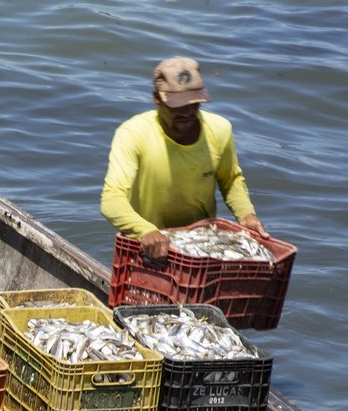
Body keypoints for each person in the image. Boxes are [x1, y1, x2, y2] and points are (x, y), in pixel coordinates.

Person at [100, 56, 269, 261]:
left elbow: (230, 179)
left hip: (200, 245)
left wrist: (246, 214)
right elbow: (111, 199)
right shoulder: (133, 133)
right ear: (157, 98)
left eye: (194, 103)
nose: (187, 112)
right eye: (178, 105)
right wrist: (145, 231)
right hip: (147, 247)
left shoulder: (220, 130)